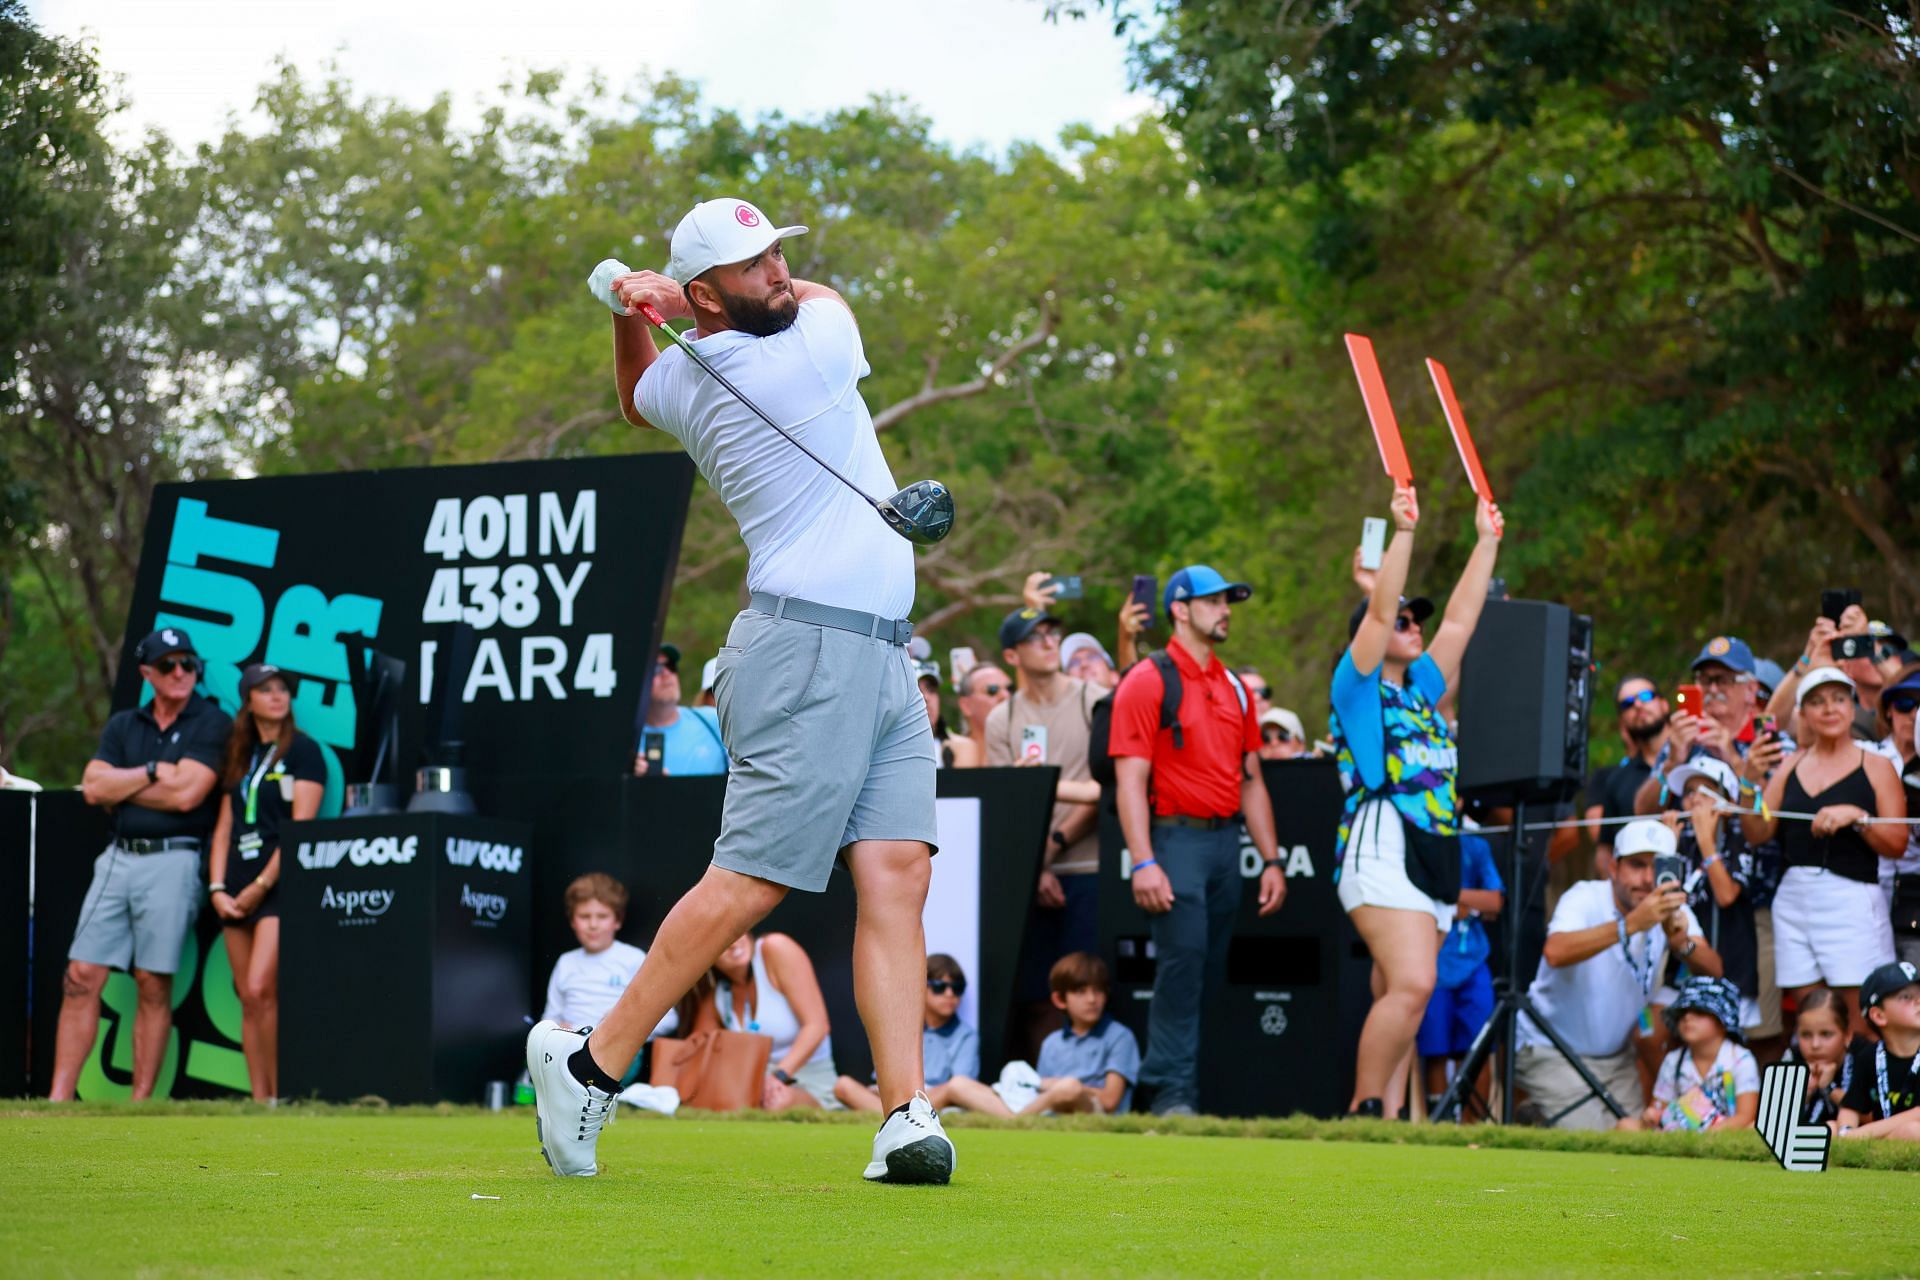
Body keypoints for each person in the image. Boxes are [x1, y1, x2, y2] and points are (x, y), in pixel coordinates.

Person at [530, 197, 952, 1184]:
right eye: (753, 267)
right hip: (808, 650)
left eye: (777, 256)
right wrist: (659, 299)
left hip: (885, 654)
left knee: (898, 870)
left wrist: (633, 312)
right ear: (712, 294)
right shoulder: (806, 347)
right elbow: (818, 300)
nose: (779, 274)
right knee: (750, 882)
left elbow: (637, 398)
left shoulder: (693, 364)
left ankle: (903, 1116)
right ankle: (589, 1066)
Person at [1330, 485, 1503, 1118]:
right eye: (1404, 620)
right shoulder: (1357, 686)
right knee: (1413, 983)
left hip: (1432, 851)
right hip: (1380, 842)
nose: (1413, 627)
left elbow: (1459, 621)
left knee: (1400, 994)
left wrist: (1486, 541)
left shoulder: (1421, 690)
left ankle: (1398, 1122)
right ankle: (1365, 1109)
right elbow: (1376, 618)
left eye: (1414, 620)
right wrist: (1404, 533)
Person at [1109, 564, 1284, 1116]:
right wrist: (1143, 861)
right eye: (1213, 601)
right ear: (1180, 609)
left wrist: (1272, 859)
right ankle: (1171, 1092)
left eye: (1229, 601)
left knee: (1205, 968)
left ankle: (1167, 1081)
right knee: (1183, 966)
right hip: (1175, 841)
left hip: (1225, 846)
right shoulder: (1147, 678)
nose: (1225, 609)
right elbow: (1129, 781)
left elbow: (1251, 779)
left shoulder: (1234, 684)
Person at [54, 627, 231, 1101]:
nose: (181, 673)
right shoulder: (124, 725)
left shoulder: (211, 722)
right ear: (147, 673)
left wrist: (124, 784)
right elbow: (93, 788)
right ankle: (56, 1100)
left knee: (152, 982)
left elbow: (190, 793)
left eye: (188, 665)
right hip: (117, 858)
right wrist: (154, 772)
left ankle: (140, 1103)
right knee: (80, 976)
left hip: (174, 860)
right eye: (169, 665)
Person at [1515, 819, 1721, 1130]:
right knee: (1595, 1143)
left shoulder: (1670, 905)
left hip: (1615, 1059)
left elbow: (1715, 970)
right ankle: (1537, 1115)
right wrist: (1632, 925)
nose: (1647, 879)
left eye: (1657, 866)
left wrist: (1682, 943)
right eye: (1636, 866)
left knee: (1637, 1137)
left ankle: (1541, 1115)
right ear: (1613, 868)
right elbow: (1555, 952)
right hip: (1550, 1050)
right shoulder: (1584, 896)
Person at [1743, 666, 1907, 1033]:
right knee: (1812, 1022)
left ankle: (1857, 1090)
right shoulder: (1791, 764)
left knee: (1863, 1019)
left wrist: (1858, 818)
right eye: (1816, 701)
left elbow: (1897, 842)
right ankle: (1814, 1090)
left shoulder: (1877, 766)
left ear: (1852, 708)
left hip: (1851, 900)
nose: (1829, 708)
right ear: (1802, 714)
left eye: (1838, 699)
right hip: (1794, 900)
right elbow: (1757, 831)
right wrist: (1748, 781)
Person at [985, 606, 1105, 1056]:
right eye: (1037, 636)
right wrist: (1034, 871)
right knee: (1036, 993)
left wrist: (1049, 850)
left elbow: (1104, 792)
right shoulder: (1003, 719)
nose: (1051, 641)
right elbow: (1007, 803)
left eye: (1054, 632)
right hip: (1030, 878)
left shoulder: (1092, 699)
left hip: (1086, 867)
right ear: (1013, 656)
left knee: (1089, 988)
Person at [206, 663, 324, 1102]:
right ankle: (259, 1099)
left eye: (283, 689)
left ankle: (278, 1096)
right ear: (248, 700)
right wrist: (217, 887)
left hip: (277, 885)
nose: (277, 696)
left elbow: (301, 828)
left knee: (261, 987)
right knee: (247, 996)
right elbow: (223, 827)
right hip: (234, 886)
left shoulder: (304, 752)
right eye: (265, 689)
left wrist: (262, 883)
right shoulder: (239, 752)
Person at [540, 874, 681, 1073]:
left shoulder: (633, 959)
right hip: (569, 1051)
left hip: (618, 1052)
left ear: (617, 921)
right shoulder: (566, 963)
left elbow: (669, 1019)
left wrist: (624, 1027)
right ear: (572, 921)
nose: (593, 925)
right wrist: (555, 1031)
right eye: (584, 916)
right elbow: (549, 1018)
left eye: (602, 916)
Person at [835, 955, 1006, 1114]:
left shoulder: (966, 1035)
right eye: (940, 987)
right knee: (844, 1085)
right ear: (921, 987)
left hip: (936, 1099)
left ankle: (893, 1117)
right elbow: (882, 1082)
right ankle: (897, 1116)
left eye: (957, 988)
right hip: (897, 1097)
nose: (949, 994)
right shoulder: (901, 1028)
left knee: (955, 1087)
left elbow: (962, 1087)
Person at [1662, 756, 1761, 1032]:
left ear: (1726, 805)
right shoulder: (1682, 842)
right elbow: (1666, 897)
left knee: (1729, 1045)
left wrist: (1707, 842)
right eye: (1688, 793)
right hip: (1686, 972)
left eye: (1703, 792)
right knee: (1650, 1028)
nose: (1693, 800)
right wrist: (1666, 847)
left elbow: (1726, 895)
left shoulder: (1739, 841)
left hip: (1732, 971)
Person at [1417, 830, 1503, 1115]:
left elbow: (1495, 900)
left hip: (1474, 963)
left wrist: (1450, 894)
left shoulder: (1475, 845)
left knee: (1478, 1052)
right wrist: (1456, 904)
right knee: (1435, 1052)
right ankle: (1439, 1126)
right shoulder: (1419, 841)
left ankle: (1473, 1129)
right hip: (1432, 963)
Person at [707, 930, 837, 1110]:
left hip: (809, 1081)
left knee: (777, 1101)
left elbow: (817, 1026)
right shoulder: (718, 995)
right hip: (756, 1088)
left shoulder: (775, 948)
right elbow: (703, 1049)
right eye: (720, 942)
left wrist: (778, 1077)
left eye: (736, 931)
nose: (733, 944)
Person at [1617, 976, 1758, 1132]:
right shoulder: (1674, 1060)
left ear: (1723, 1022)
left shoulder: (1740, 1059)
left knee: (1754, 1129)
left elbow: (1745, 1116)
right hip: (1679, 1133)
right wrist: (1651, 1116)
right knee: (1626, 1125)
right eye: (1682, 1013)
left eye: (1699, 1012)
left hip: (1725, 1136)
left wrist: (1710, 1134)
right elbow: (1658, 1107)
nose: (1687, 1018)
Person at [1029, 952, 1141, 1114]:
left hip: (1098, 1123)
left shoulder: (1120, 1037)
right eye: (1081, 991)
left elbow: (1110, 1101)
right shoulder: (1051, 1042)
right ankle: (1013, 1119)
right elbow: (1039, 1096)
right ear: (1060, 1000)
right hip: (1053, 1124)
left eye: (1098, 991)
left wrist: (1069, 1088)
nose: (1092, 999)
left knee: (1067, 1088)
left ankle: (1013, 1120)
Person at [1837, 960, 1920, 1140]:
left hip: (1904, 1134)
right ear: (1879, 1015)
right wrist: (1845, 1130)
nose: (1918, 1001)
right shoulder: (1869, 1056)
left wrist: (1860, 1135)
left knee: (1912, 1131)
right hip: (1881, 1136)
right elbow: (1850, 1107)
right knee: (1831, 1128)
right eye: (1906, 997)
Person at [1594, 674, 1668, 875]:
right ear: (1622, 721)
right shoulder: (1617, 779)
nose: (1638, 705)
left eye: (1645, 696)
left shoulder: (1698, 755)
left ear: (1664, 704)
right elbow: (1604, 849)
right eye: (1627, 703)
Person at [1873, 664, 1920, 966]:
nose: (1914, 714)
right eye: (1905, 704)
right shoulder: (1864, 754)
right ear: (1888, 710)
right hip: (1870, 896)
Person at [631, 644, 727, 777]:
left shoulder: (713, 721)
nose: (667, 673)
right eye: (656, 669)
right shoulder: (626, 741)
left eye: (671, 666)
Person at [1777, 986, 1857, 1125]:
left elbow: (1873, 1115)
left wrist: (1828, 1088)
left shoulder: (1862, 1056)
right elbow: (1774, 1119)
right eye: (1806, 1035)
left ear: (1847, 1035)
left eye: (1826, 1034)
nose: (1815, 1045)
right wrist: (1804, 1093)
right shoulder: (1793, 1057)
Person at [948, 663, 1009, 769]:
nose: (1005, 696)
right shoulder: (947, 755)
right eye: (992, 690)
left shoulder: (1026, 751)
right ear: (966, 705)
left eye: (1010, 689)